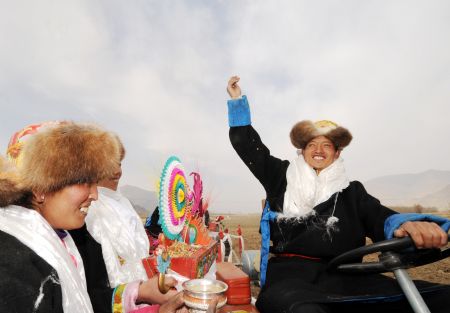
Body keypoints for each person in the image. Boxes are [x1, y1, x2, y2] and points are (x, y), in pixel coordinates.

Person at [226, 76, 450, 313]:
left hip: (350, 277)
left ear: (337, 153)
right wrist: (238, 101)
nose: (318, 150)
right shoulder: (281, 176)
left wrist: (406, 225)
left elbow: (380, 217)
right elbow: (250, 148)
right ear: (302, 151)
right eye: (312, 144)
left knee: (442, 298)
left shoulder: (351, 191)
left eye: (327, 145)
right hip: (291, 279)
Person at [0, 122, 192, 313]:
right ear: (39, 187)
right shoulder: (13, 267)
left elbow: (84, 300)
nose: (95, 195)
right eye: (83, 181)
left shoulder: (57, 238)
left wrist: (139, 292)